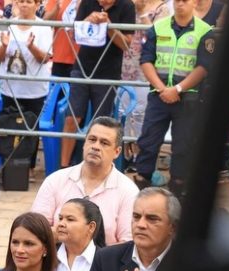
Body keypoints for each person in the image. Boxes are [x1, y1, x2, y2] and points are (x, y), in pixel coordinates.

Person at [130, 0, 214, 198]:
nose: (180, 3)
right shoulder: (158, 27)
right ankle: (142, 188)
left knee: (183, 146)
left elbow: (204, 67)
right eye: (177, 0)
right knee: (148, 141)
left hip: (188, 97)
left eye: (185, 0)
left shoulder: (204, 31)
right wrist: (162, 89)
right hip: (159, 95)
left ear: (195, 2)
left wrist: (177, 89)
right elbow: (146, 60)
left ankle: (178, 194)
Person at [32, 116, 139, 245]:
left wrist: (89, 251)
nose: (96, 147)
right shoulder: (55, 180)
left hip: (103, 264)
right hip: (56, 261)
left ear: (117, 152)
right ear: (84, 143)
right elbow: (35, 230)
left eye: (104, 143)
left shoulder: (128, 191)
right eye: (92, 140)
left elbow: (128, 244)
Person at [60, 0, 135, 167]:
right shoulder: (87, 2)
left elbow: (126, 44)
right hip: (82, 67)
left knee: (101, 123)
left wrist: (109, 26)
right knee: (72, 118)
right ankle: (63, 167)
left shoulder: (127, 6)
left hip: (108, 72)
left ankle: (96, 167)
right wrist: (87, 20)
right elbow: (73, 35)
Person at [0, 0, 53, 179]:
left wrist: (31, 47)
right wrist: (4, 46)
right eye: (21, 1)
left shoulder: (43, 28)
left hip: (34, 90)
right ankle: (8, 165)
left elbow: (46, 58)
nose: (24, 5)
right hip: (10, 89)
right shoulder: (8, 26)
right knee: (8, 127)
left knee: (31, 130)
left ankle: (29, 168)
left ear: (37, 5)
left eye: (29, 2)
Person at [119, 0, 169, 165]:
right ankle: (122, 156)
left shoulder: (162, 9)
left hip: (146, 71)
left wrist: (142, 13)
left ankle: (141, 159)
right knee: (121, 114)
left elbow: (159, 39)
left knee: (141, 115)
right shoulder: (125, 5)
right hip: (122, 67)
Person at [56, 198, 106, 271]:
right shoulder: (46, 255)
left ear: (91, 227)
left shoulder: (105, 261)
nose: (61, 224)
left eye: (70, 219)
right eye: (60, 218)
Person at [43, 0, 80, 78]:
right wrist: (56, 8)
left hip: (83, 59)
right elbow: (45, 21)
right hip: (60, 58)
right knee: (59, 90)